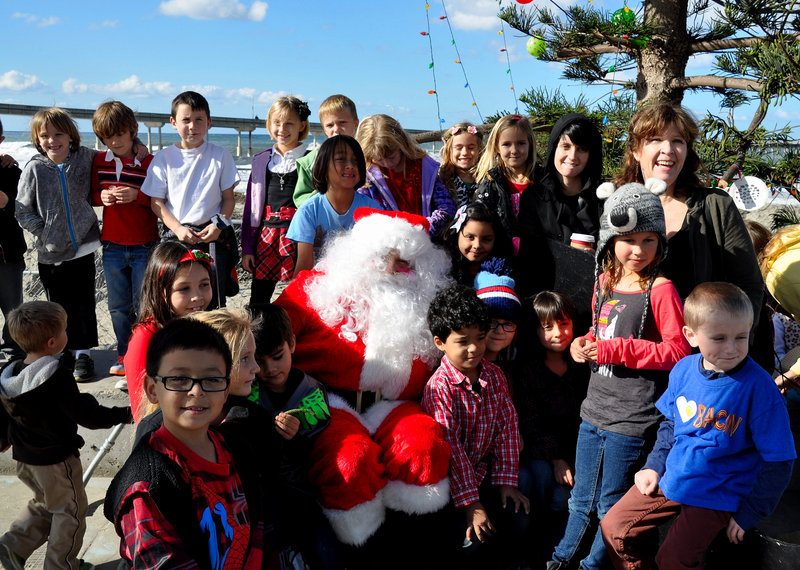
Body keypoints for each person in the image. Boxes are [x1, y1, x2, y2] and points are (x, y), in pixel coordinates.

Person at [274, 208, 452, 547]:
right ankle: (359, 547)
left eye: (407, 261)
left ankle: (414, 539)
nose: (397, 268)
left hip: (397, 404)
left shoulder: (429, 303)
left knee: (424, 446)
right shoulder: (313, 290)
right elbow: (268, 333)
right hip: (329, 401)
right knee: (350, 459)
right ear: (362, 255)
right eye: (387, 257)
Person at [601, 282, 796, 569]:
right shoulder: (683, 369)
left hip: (719, 492)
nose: (732, 349)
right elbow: (670, 424)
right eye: (719, 338)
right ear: (691, 335)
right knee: (614, 526)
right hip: (674, 477)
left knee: (672, 560)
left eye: (741, 337)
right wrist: (654, 465)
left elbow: (780, 461)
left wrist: (749, 513)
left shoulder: (760, 389)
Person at [548, 181, 692, 570]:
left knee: (609, 506)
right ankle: (560, 560)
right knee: (580, 499)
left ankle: (588, 565)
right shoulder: (605, 283)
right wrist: (582, 344)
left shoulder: (661, 290)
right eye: (628, 240)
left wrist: (616, 351)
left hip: (632, 419)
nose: (639, 250)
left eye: (649, 240)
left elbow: (678, 352)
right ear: (610, 239)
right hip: (593, 411)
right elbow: (601, 333)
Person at [104, 319, 266, 568]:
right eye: (179, 379)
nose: (196, 391)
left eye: (212, 380)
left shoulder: (237, 449)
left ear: (226, 390)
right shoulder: (148, 486)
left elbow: (256, 520)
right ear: (152, 389)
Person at [0, 301, 132, 570]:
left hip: (26, 460)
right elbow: (86, 414)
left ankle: (12, 547)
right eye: (65, 330)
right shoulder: (55, 376)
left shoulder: (10, 374)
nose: (67, 334)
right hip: (56, 462)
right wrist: (123, 414)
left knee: (44, 504)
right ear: (52, 342)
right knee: (69, 512)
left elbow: (5, 415)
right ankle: (62, 565)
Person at [614, 102, 763, 322]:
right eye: (655, 140)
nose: (668, 150)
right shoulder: (615, 207)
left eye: (678, 141)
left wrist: (728, 344)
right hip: (633, 348)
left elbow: (748, 286)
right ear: (636, 151)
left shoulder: (715, 206)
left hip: (702, 350)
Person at [423, 284, 529, 567]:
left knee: (518, 516)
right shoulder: (439, 388)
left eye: (480, 338)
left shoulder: (494, 376)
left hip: (484, 475)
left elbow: (507, 427)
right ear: (440, 343)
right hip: (451, 488)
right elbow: (451, 449)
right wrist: (472, 504)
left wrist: (507, 481)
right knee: (471, 545)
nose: (474, 348)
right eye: (463, 341)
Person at [15, 108, 101, 382]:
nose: (53, 140)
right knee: (59, 307)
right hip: (51, 253)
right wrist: (44, 233)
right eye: (45, 136)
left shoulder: (85, 157)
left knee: (85, 303)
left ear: (71, 135)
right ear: (38, 140)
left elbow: (114, 156)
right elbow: (22, 209)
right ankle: (62, 353)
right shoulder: (34, 168)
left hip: (84, 246)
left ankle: (83, 353)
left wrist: (136, 146)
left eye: (58, 134)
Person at [141, 91, 239, 308]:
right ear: (173, 122)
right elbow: (156, 202)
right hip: (178, 235)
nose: (192, 126)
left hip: (213, 236)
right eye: (185, 120)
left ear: (209, 122)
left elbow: (228, 199)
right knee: (177, 298)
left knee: (213, 298)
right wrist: (177, 229)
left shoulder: (221, 156)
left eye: (198, 120)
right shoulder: (163, 158)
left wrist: (218, 225)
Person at [511, 291, 588, 565]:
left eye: (564, 324)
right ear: (536, 330)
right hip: (538, 451)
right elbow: (529, 421)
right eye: (548, 326)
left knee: (563, 498)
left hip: (572, 452)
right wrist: (556, 458)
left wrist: (567, 458)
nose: (558, 332)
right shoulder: (528, 371)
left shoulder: (581, 369)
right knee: (540, 477)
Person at [90, 101, 157, 385]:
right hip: (112, 246)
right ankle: (124, 355)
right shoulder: (99, 161)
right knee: (117, 306)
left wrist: (137, 197)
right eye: (108, 136)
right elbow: (92, 193)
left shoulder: (149, 161)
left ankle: (144, 356)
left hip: (144, 244)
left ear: (133, 131)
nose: (115, 141)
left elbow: (158, 201)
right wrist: (101, 199)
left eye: (121, 134)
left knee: (145, 305)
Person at [124, 242, 214, 422]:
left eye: (204, 284)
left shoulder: (204, 327)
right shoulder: (146, 337)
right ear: (161, 291)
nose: (197, 296)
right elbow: (143, 411)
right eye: (184, 289)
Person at [241, 96, 311, 305]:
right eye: (277, 123)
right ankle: (258, 337)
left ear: (302, 125)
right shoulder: (261, 160)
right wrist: (247, 248)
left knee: (300, 295)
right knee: (258, 299)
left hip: (299, 237)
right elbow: (250, 208)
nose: (282, 128)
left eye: (289, 123)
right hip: (266, 235)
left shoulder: (310, 159)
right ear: (269, 125)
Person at [287, 135, 381, 275]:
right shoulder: (308, 211)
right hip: (320, 286)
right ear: (323, 166)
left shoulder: (373, 210)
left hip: (362, 283)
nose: (350, 165)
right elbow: (304, 266)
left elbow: (379, 258)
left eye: (356, 161)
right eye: (341, 159)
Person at [356, 114, 455, 236]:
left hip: (426, 241)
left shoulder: (426, 168)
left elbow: (446, 208)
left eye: (391, 156)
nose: (387, 163)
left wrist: (422, 228)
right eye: (379, 159)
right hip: (388, 243)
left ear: (402, 144)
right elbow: (365, 217)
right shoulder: (366, 178)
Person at [520, 113, 603, 245]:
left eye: (581, 149)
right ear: (554, 148)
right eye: (566, 147)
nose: (572, 156)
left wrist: (593, 255)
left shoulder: (602, 199)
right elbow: (528, 252)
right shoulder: (534, 197)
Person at [474, 114, 538, 240]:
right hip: (502, 252)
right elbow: (479, 220)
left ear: (530, 144)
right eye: (506, 144)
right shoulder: (490, 184)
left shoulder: (544, 181)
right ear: (497, 146)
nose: (514, 150)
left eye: (521, 143)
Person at [293, 94, 361, 208]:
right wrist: (326, 194)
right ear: (324, 129)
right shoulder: (311, 161)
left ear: (355, 123)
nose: (336, 129)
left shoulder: (365, 155)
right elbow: (301, 198)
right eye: (330, 125)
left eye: (342, 123)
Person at [0, 117, 26, 360]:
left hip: (7, 252)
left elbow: (11, 203)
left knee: (12, 310)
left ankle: (12, 356)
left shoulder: (11, 171)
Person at [444, 202, 513, 286]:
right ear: (458, 234)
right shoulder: (445, 266)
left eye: (486, 239)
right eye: (470, 237)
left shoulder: (502, 270)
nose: (477, 245)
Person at [473, 264, 521, 368]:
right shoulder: (465, 369)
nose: (499, 331)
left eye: (508, 323)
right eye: (492, 322)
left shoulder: (518, 363)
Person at [439, 122, 484, 208]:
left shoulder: (486, 180)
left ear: (479, 149)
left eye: (471, 148)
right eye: (458, 148)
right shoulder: (441, 179)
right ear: (449, 150)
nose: (465, 153)